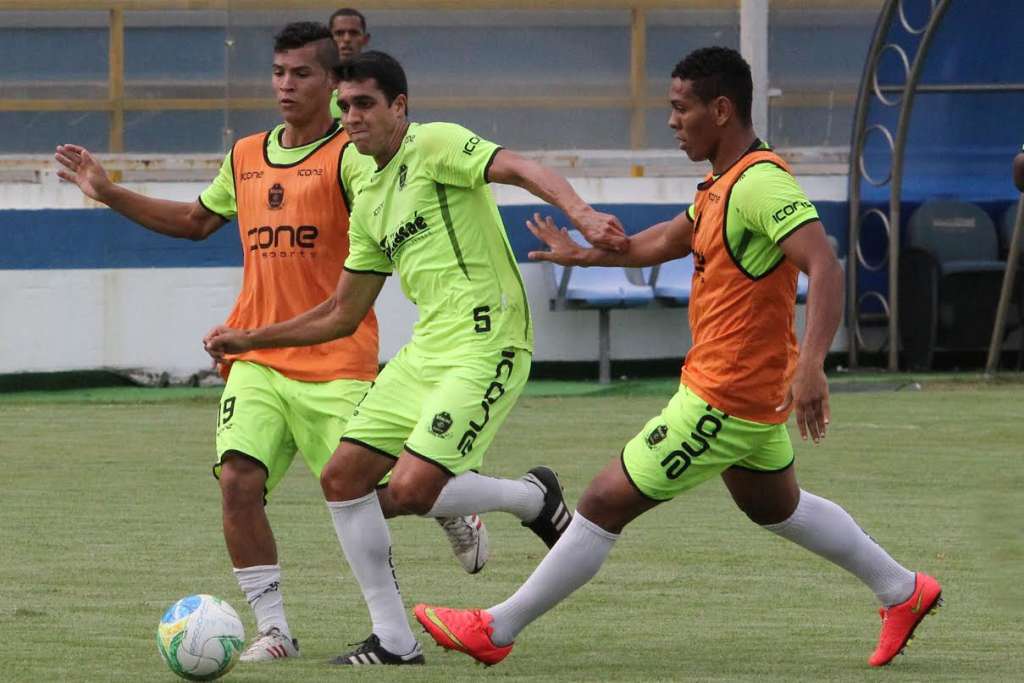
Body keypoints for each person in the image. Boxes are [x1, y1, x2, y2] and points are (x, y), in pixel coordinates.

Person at [414, 46, 943, 669]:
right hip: (743, 390)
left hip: (727, 394)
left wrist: (813, 366)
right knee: (774, 506)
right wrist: (582, 253)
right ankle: (902, 590)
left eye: (680, 107)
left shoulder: (760, 183)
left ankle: (495, 629)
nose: (671, 120)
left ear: (720, 110)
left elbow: (823, 266)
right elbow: (662, 241)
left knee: (603, 501)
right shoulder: (721, 184)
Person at [54, 22, 487, 665]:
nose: (286, 85)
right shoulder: (247, 155)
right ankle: (275, 630)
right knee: (237, 481)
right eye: (279, 72)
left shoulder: (354, 158)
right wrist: (108, 191)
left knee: (389, 492)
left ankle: (467, 502)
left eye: (302, 74)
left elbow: (385, 240)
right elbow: (198, 221)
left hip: (336, 360)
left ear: (333, 84)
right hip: (253, 358)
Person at [203, 50, 628, 666]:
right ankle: (395, 641)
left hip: (489, 340)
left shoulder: (434, 144)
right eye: (344, 106)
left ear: (399, 106)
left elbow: (518, 167)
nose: (351, 116)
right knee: (343, 478)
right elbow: (340, 313)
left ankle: (529, 500)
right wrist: (251, 339)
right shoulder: (363, 183)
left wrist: (583, 214)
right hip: (428, 347)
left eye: (365, 104)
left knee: (407, 491)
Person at [328, 7, 370, 120]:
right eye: (339, 33)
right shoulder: (315, 86)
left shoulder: (378, 84)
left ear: (365, 39)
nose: (346, 39)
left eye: (354, 33)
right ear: (328, 39)